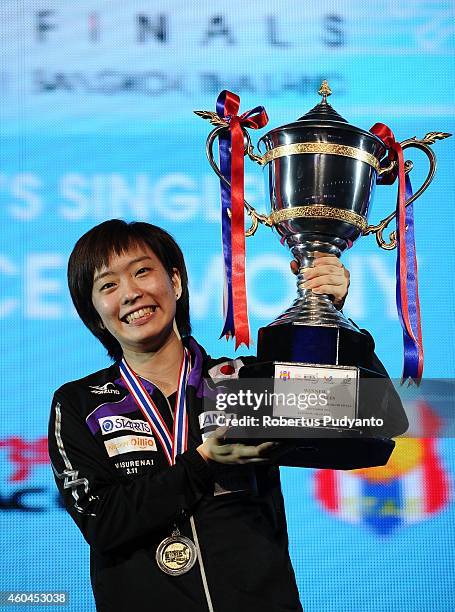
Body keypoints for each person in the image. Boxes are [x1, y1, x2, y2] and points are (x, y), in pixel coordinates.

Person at [48, 219, 351, 612]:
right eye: (108, 285)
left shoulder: (243, 382)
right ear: (94, 312)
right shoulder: (79, 403)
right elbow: (104, 522)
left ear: (175, 281)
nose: (131, 293)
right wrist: (203, 463)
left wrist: (325, 318)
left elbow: (366, 425)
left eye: (142, 272)